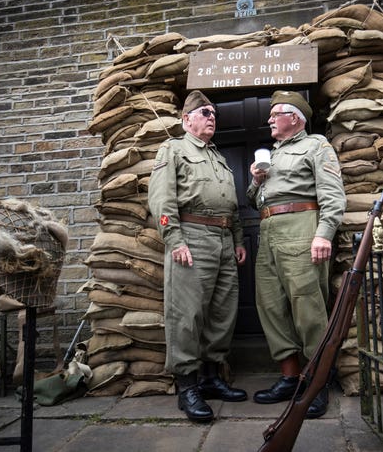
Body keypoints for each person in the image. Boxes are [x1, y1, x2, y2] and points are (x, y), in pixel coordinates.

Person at [148, 90, 248, 423]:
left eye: (214, 114)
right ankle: (187, 386)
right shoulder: (174, 149)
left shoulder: (219, 157)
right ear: (186, 118)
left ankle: (210, 378)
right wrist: (174, 238)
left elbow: (231, 205)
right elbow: (162, 201)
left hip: (222, 239)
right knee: (187, 313)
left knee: (222, 311)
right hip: (190, 236)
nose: (211, 118)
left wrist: (236, 238)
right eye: (204, 112)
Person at [247, 90, 346, 419]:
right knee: (271, 304)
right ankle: (290, 377)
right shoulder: (270, 154)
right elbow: (254, 200)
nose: (270, 120)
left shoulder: (316, 145)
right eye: (271, 115)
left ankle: (317, 382)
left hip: (302, 227)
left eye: (276, 114)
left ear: (296, 118)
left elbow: (332, 194)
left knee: (307, 305)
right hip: (268, 230)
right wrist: (256, 180)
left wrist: (323, 234)